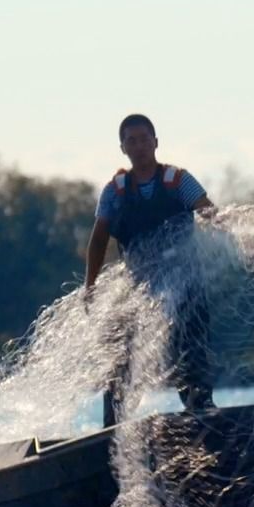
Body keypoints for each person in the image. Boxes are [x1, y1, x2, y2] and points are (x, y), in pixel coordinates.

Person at [84, 113, 217, 420]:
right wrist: (89, 286)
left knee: (191, 348)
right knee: (121, 353)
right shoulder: (115, 191)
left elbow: (209, 212)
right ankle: (114, 424)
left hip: (185, 285)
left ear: (156, 143)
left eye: (145, 139)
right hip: (140, 288)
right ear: (123, 148)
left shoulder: (179, 180)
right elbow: (98, 240)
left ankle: (201, 411)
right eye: (132, 140)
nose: (140, 146)